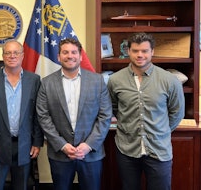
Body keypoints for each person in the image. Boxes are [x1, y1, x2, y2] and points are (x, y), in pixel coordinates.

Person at [107, 32, 185, 190]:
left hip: (159, 150)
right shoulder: (115, 80)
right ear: (128, 51)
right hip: (127, 150)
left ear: (152, 52)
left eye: (144, 51)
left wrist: (160, 131)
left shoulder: (169, 80)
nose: (140, 55)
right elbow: (115, 108)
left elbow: (177, 113)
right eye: (135, 51)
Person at [36, 38, 112, 190]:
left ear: (80, 56)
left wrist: (88, 145)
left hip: (91, 154)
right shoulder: (46, 83)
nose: (70, 56)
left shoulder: (97, 81)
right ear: (59, 56)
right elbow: (43, 117)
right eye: (65, 52)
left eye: (73, 52)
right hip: (60, 154)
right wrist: (62, 145)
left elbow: (105, 116)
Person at [0, 39, 43, 190]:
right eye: (8, 52)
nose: (12, 56)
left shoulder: (34, 80)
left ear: (22, 56)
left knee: (21, 186)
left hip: (24, 145)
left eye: (16, 52)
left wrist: (37, 142)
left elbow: (38, 114)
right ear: (3, 56)